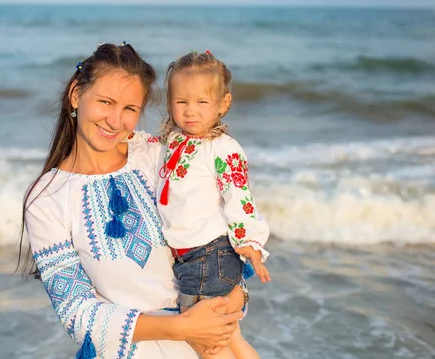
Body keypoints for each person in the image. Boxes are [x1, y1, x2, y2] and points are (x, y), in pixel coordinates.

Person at [19, 43, 244, 359]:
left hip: (210, 341)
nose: (115, 120)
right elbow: (77, 314)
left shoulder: (157, 156)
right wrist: (180, 328)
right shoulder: (47, 199)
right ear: (75, 95)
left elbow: (212, 235)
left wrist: (237, 295)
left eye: (129, 109)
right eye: (105, 102)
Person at [154, 50, 272, 359]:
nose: (190, 111)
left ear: (223, 105)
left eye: (201, 103)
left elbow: (239, 195)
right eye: (181, 102)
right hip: (192, 255)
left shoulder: (222, 148)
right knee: (230, 337)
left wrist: (249, 240)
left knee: (205, 342)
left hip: (209, 254)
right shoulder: (175, 139)